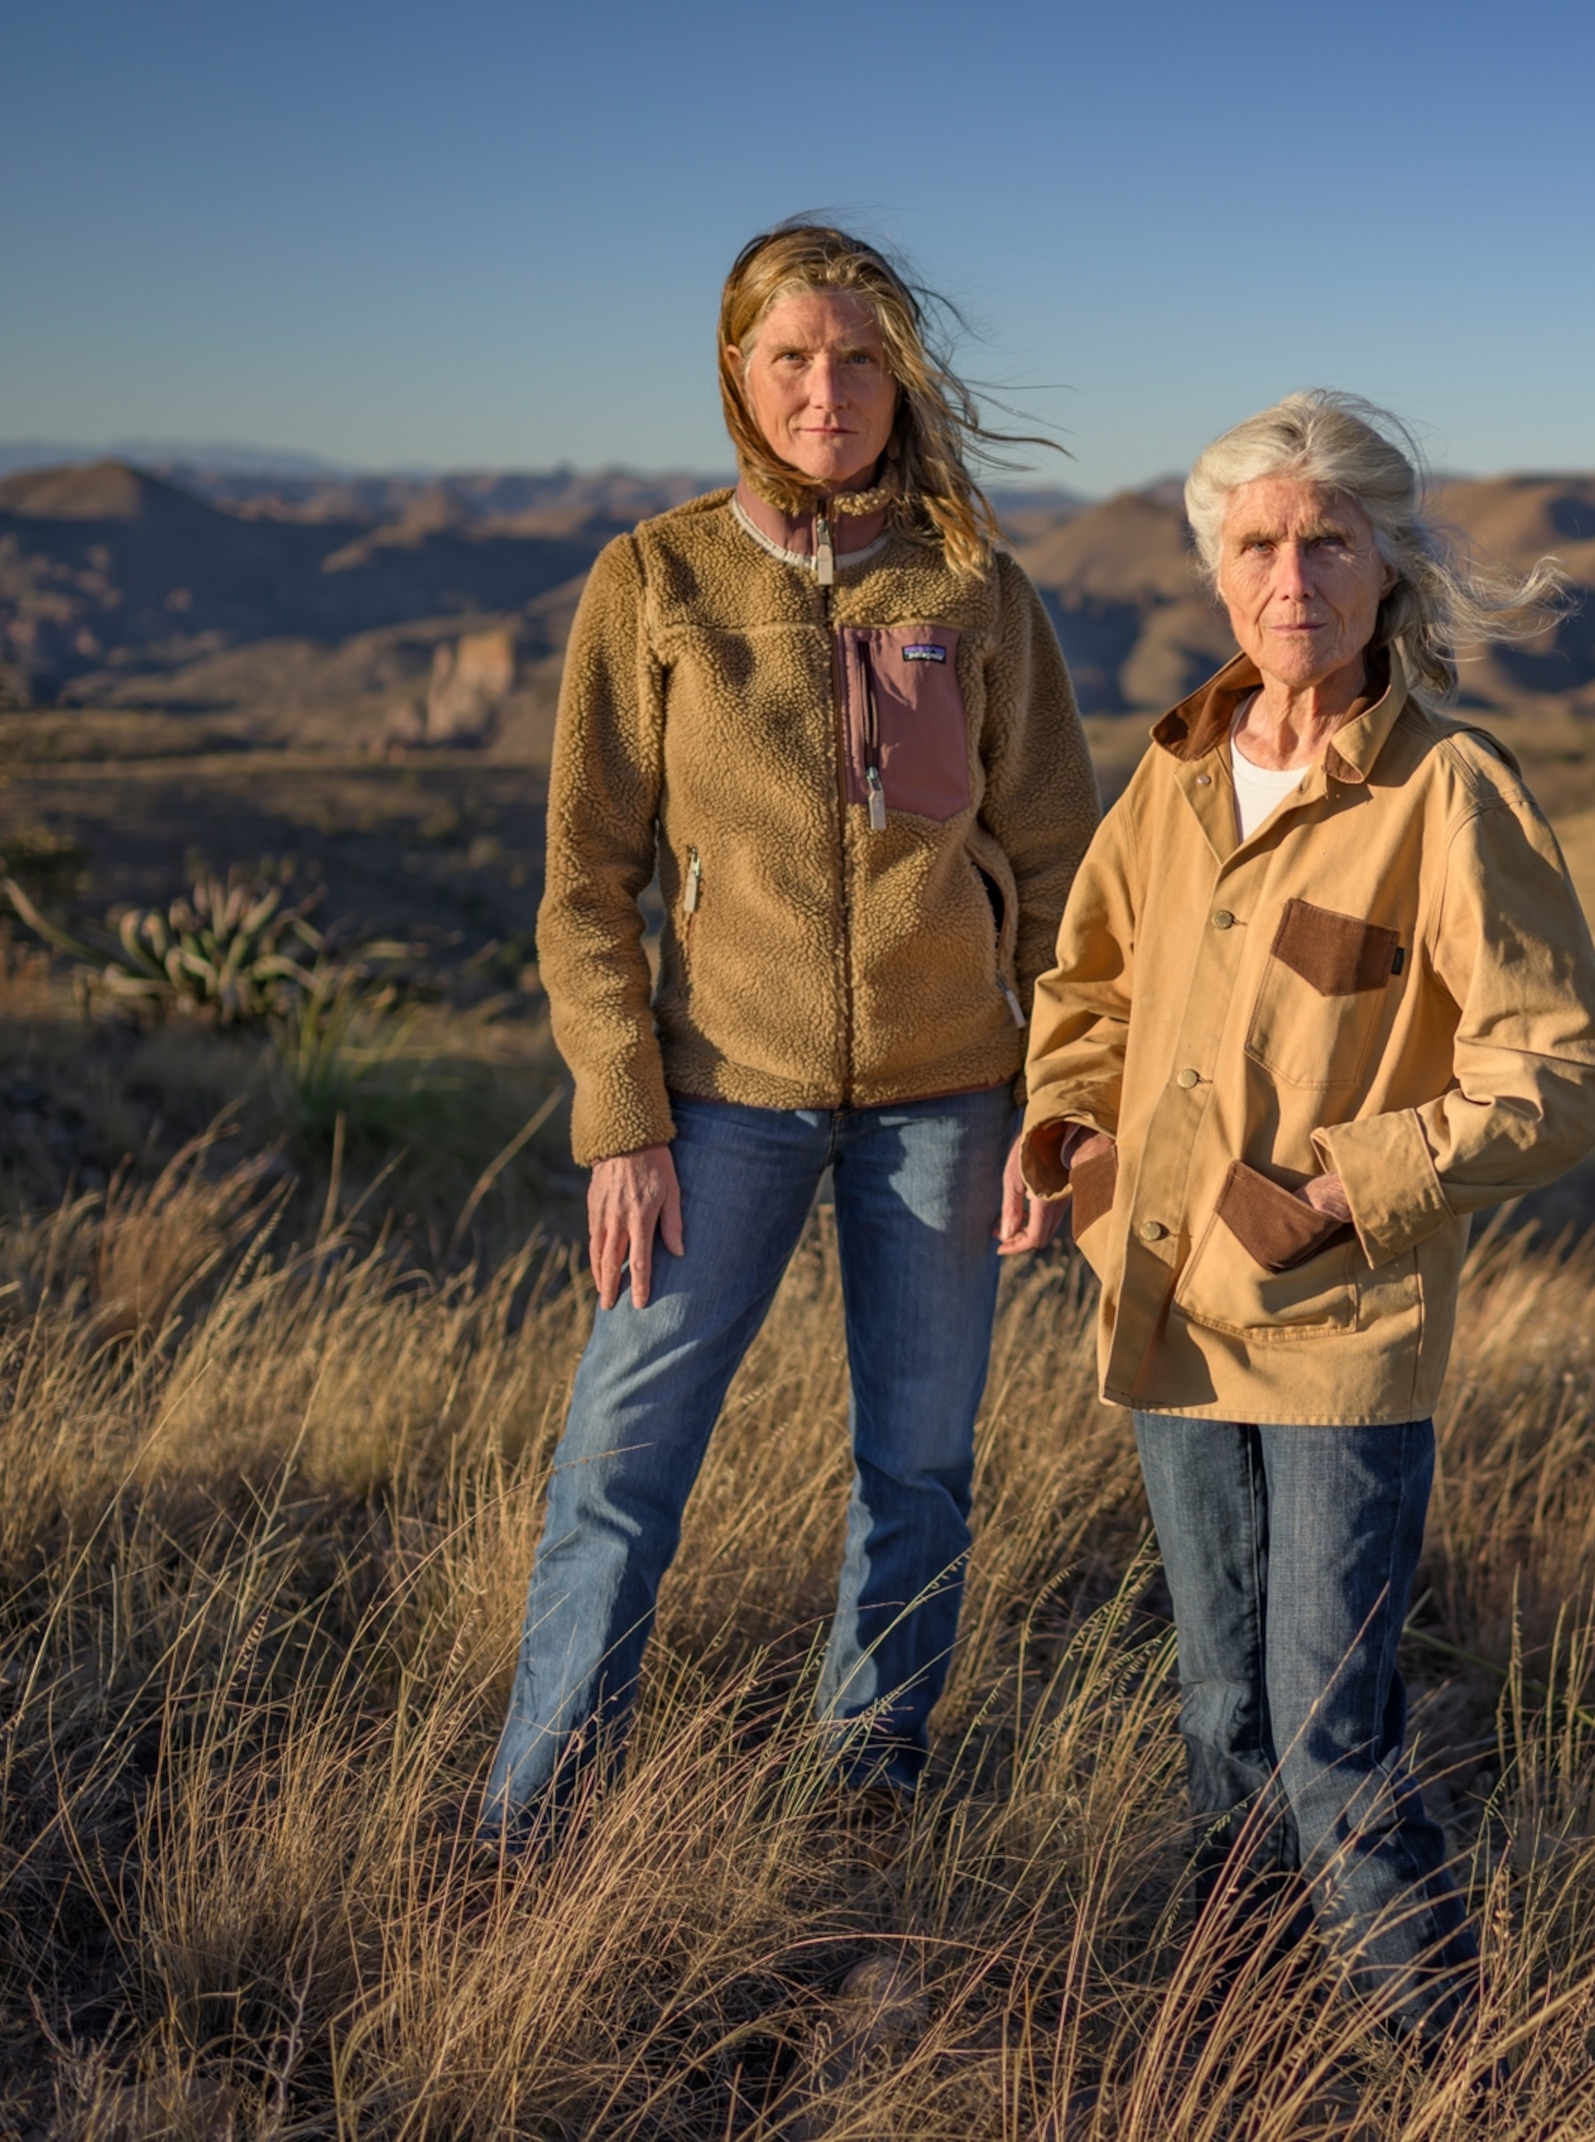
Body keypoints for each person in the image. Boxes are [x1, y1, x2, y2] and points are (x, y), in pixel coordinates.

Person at [1016, 391, 1595, 2035]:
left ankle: (1447, 2064)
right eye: (1260, 543)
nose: (1292, 575)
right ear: (1220, 572)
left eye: (1328, 540)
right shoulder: (1176, 772)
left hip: (1339, 1335)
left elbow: (1564, 1065)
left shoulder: (1449, 794)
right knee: (1218, 1706)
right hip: (1164, 1305)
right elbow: (1090, 980)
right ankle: (1245, 2035)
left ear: (1386, 570)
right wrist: (1065, 1130)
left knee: (1325, 1725)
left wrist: (1349, 1185)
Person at [484, 223, 1098, 1842]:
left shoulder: (973, 585)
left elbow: (1061, 873)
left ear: (898, 374)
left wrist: (1061, 1096)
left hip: (953, 1093)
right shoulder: (656, 579)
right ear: (739, 378)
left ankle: (861, 1798)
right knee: (620, 1463)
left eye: (857, 357)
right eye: (792, 359)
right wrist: (619, 1110)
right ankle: (533, 1824)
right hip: (716, 1100)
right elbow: (582, 877)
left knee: (917, 1474)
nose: (827, 390)